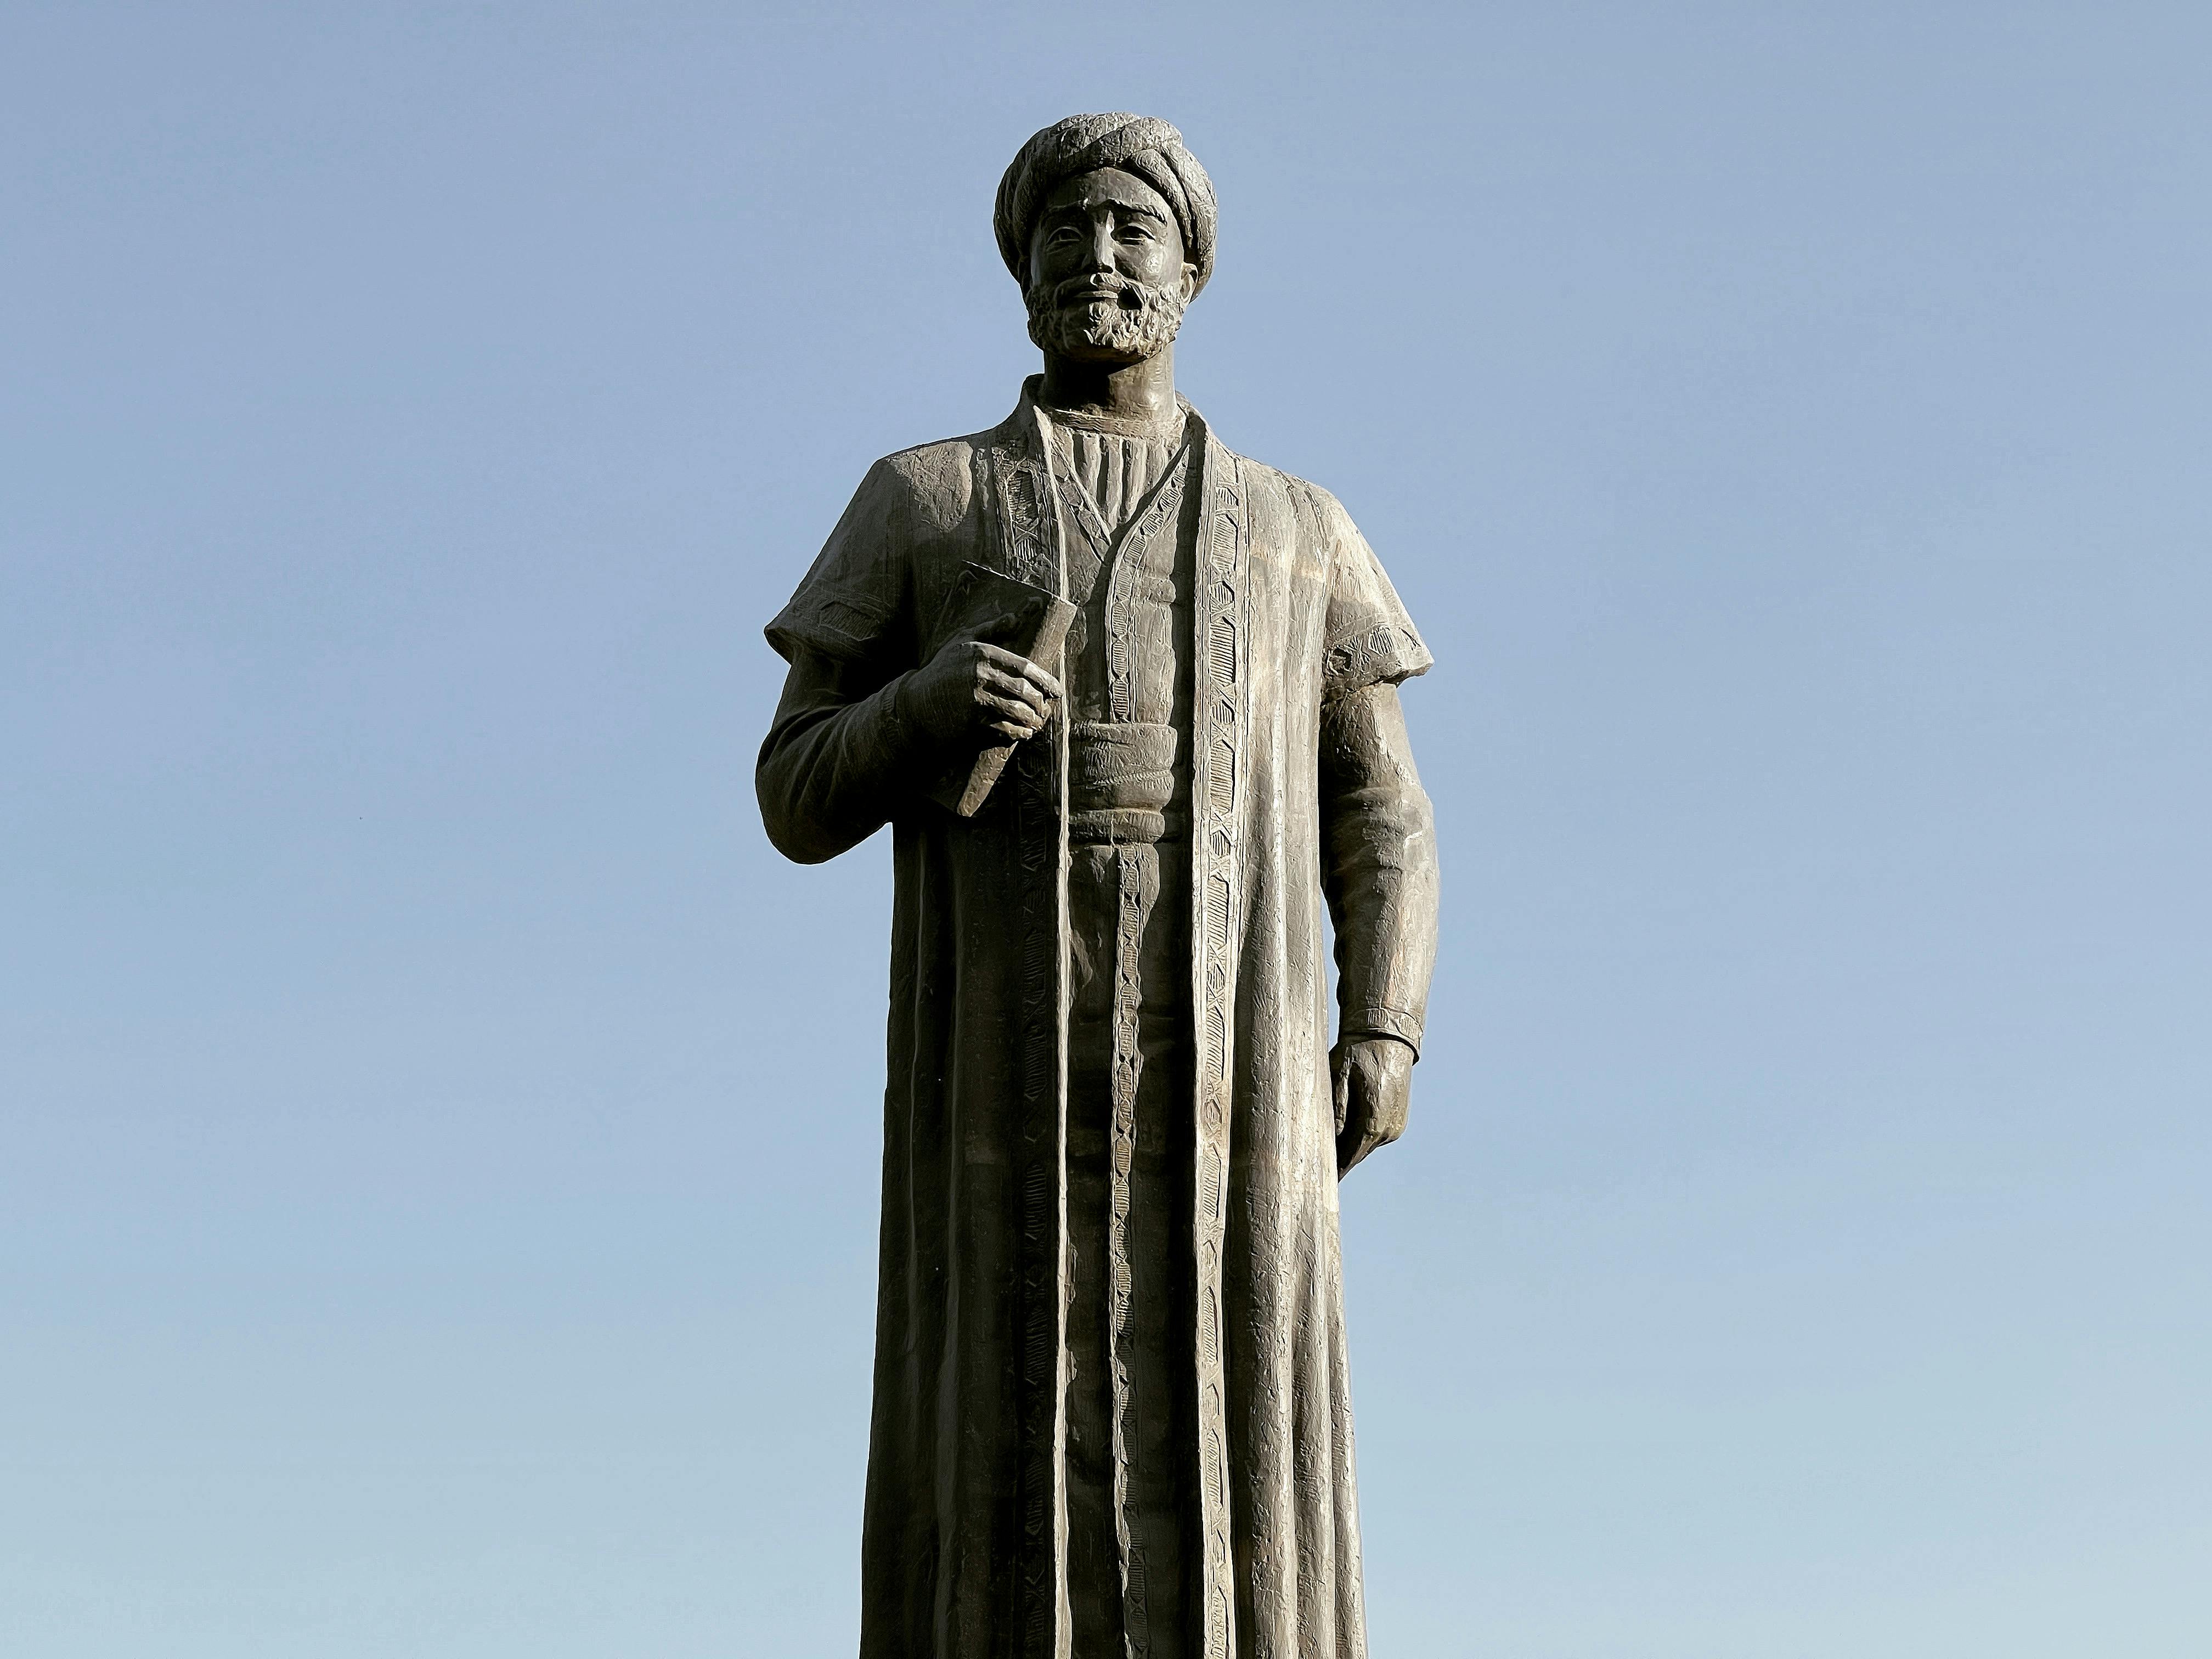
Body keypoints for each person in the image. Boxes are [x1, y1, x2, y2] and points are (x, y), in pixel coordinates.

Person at [758, 111, 1440, 1659]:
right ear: (1023, 273)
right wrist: (924, 709)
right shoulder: (924, 499)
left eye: (1136, 231)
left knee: (1242, 1407)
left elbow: (1380, 809)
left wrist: (1384, 1025)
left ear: (1191, 273)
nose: (1101, 257)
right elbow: (793, 791)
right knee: (994, 1418)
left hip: (1242, 1071)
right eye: (1066, 232)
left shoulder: (1296, 528)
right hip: (998, 1073)